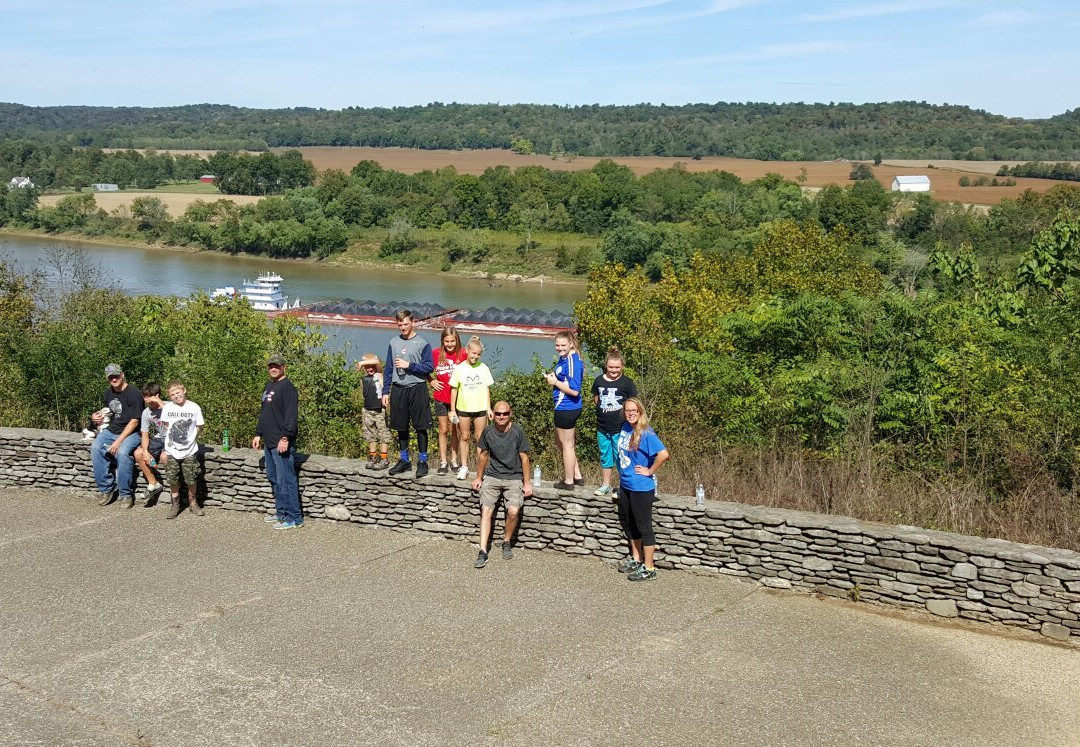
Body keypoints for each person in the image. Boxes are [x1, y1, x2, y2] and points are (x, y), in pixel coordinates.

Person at [470, 400, 532, 569]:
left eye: (505, 413)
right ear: (493, 415)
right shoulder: (488, 432)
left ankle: (506, 541)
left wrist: (527, 483)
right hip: (493, 476)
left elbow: (524, 458)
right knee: (486, 510)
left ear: (510, 414)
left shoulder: (517, 431)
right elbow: (483, 456)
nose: (502, 416)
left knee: (513, 511)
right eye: (498, 414)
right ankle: (483, 551)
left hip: (513, 477)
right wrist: (478, 477)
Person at [616, 397, 669, 582]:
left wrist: (650, 471)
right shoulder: (625, 427)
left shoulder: (646, 433)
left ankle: (649, 568)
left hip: (641, 487)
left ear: (640, 413)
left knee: (644, 526)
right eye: (628, 410)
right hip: (626, 485)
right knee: (631, 524)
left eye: (634, 411)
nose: (631, 413)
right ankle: (636, 559)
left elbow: (663, 454)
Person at [383, 309, 435, 478]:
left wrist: (409, 365)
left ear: (413, 322)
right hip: (399, 388)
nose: (403, 327)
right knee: (400, 426)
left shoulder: (422, 342)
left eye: (406, 324)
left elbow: (428, 367)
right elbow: (389, 368)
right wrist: (385, 391)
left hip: (417, 387)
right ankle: (404, 460)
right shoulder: (393, 342)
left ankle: (422, 461)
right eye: (400, 324)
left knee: (421, 426)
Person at [253, 353, 302, 530]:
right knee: (274, 478)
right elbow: (264, 412)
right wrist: (258, 433)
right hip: (269, 440)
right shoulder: (270, 385)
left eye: (277, 366)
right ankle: (281, 513)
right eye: (271, 366)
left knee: (286, 480)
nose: (273, 368)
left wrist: (285, 437)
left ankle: (294, 518)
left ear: (284, 367)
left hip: (281, 442)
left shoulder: (288, 387)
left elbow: (291, 415)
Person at [90, 363, 145, 509]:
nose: (114, 379)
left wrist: (118, 442)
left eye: (116, 375)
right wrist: (96, 417)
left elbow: (135, 421)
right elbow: (108, 412)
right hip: (113, 429)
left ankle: (126, 494)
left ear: (123, 375)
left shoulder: (134, 393)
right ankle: (106, 489)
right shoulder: (108, 393)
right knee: (96, 448)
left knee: (122, 453)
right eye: (111, 377)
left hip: (133, 432)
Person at [590, 347, 638, 497]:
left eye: (617, 367)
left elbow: (634, 403)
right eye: (611, 367)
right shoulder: (598, 380)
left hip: (621, 428)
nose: (614, 370)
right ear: (606, 366)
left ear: (622, 366)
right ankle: (606, 485)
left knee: (621, 457)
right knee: (606, 456)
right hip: (602, 427)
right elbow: (596, 398)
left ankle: (624, 486)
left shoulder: (627, 383)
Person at [448, 336, 494, 481]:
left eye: (478, 354)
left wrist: (489, 408)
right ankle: (464, 466)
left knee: (481, 438)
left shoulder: (484, 368)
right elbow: (454, 389)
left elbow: (487, 389)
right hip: (463, 408)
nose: (475, 356)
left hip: (480, 408)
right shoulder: (460, 368)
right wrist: (452, 409)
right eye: (473, 353)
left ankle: (482, 468)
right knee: (465, 437)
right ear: (467, 351)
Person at [543, 330, 584, 491]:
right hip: (562, 406)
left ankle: (568, 481)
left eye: (563, 345)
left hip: (568, 406)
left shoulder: (573, 361)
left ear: (571, 344)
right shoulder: (565, 358)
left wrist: (554, 382)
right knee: (560, 442)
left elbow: (574, 390)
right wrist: (555, 377)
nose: (559, 348)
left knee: (567, 445)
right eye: (557, 345)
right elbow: (564, 378)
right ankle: (577, 475)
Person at [159, 380, 205, 519]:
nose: (175, 396)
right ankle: (175, 505)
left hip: (190, 450)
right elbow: (166, 426)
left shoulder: (194, 407)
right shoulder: (167, 408)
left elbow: (199, 426)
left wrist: (190, 438)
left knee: (191, 478)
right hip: (172, 450)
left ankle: (193, 504)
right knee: (173, 479)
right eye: (172, 394)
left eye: (177, 392)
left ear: (184, 390)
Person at [430, 327, 466, 475]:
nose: (450, 344)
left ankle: (454, 461)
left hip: (458, 400)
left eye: (452, 341)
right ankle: (443, 461)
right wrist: (431, 381)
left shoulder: (463, 353)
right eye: (447, 341)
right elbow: (424, 369)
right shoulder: (436, 353)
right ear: (442, 341)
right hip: (441, 397)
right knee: (443, 429)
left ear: (457, 340)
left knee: (455, 430)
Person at [134, 383, 168, 506]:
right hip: (159, 439)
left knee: (166, 457)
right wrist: (146, 452)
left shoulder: (169, 406)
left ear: (157, 395)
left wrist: (160, 403)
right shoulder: (146, 413)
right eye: (146, 397)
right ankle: (153, 484)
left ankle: (177, 492)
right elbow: (145, 434)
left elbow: (174, 421)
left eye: (151, 397)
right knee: (138, 453)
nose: (149, 400)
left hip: (173, 438)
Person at [357, 352, 391, 469]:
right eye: (367, 366)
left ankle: (384, 458)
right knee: (370, 435)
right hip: (367, 410)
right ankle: (372, 456)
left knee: (383, 434)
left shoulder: (380, 375)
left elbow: (377, 363)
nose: (370, 368)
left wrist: (362, 362)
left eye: (372, 366)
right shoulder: (363, 379)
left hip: (379, 410)